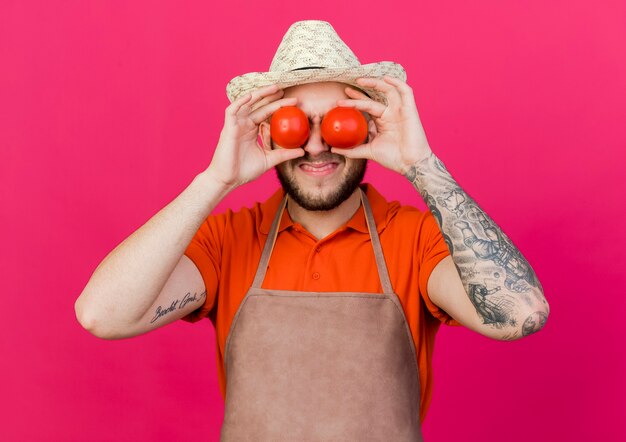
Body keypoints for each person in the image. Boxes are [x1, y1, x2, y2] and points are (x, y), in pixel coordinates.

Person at [75, 20, 550, 440]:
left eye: (338, 123)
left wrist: (421, 165)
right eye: (295, 125)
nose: (317, 146)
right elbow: (102, 315)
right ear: (267, 133)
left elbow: (521, 316)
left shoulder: (415, 238)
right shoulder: (230, 240)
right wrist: (215, 181)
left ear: (365, 129)